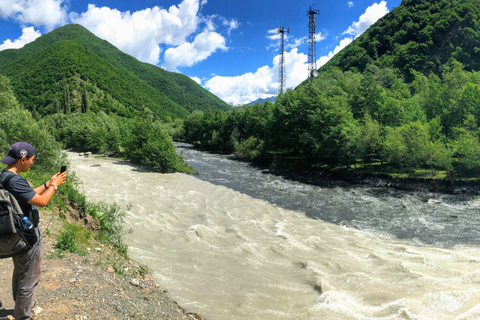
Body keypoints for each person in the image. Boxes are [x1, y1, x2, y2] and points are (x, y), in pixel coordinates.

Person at [0, 141, 66, 320]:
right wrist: (55, 186)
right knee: (28, 280)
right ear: (23, 159)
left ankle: (19, 306)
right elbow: (42, 201)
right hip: (27, 236)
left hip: (15, 235)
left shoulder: (4, 176)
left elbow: (30, 195)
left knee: (19, 273)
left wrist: (47, 183)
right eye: (31, 160)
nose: (31, 163)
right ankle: (23, 316)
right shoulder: (15, 180)